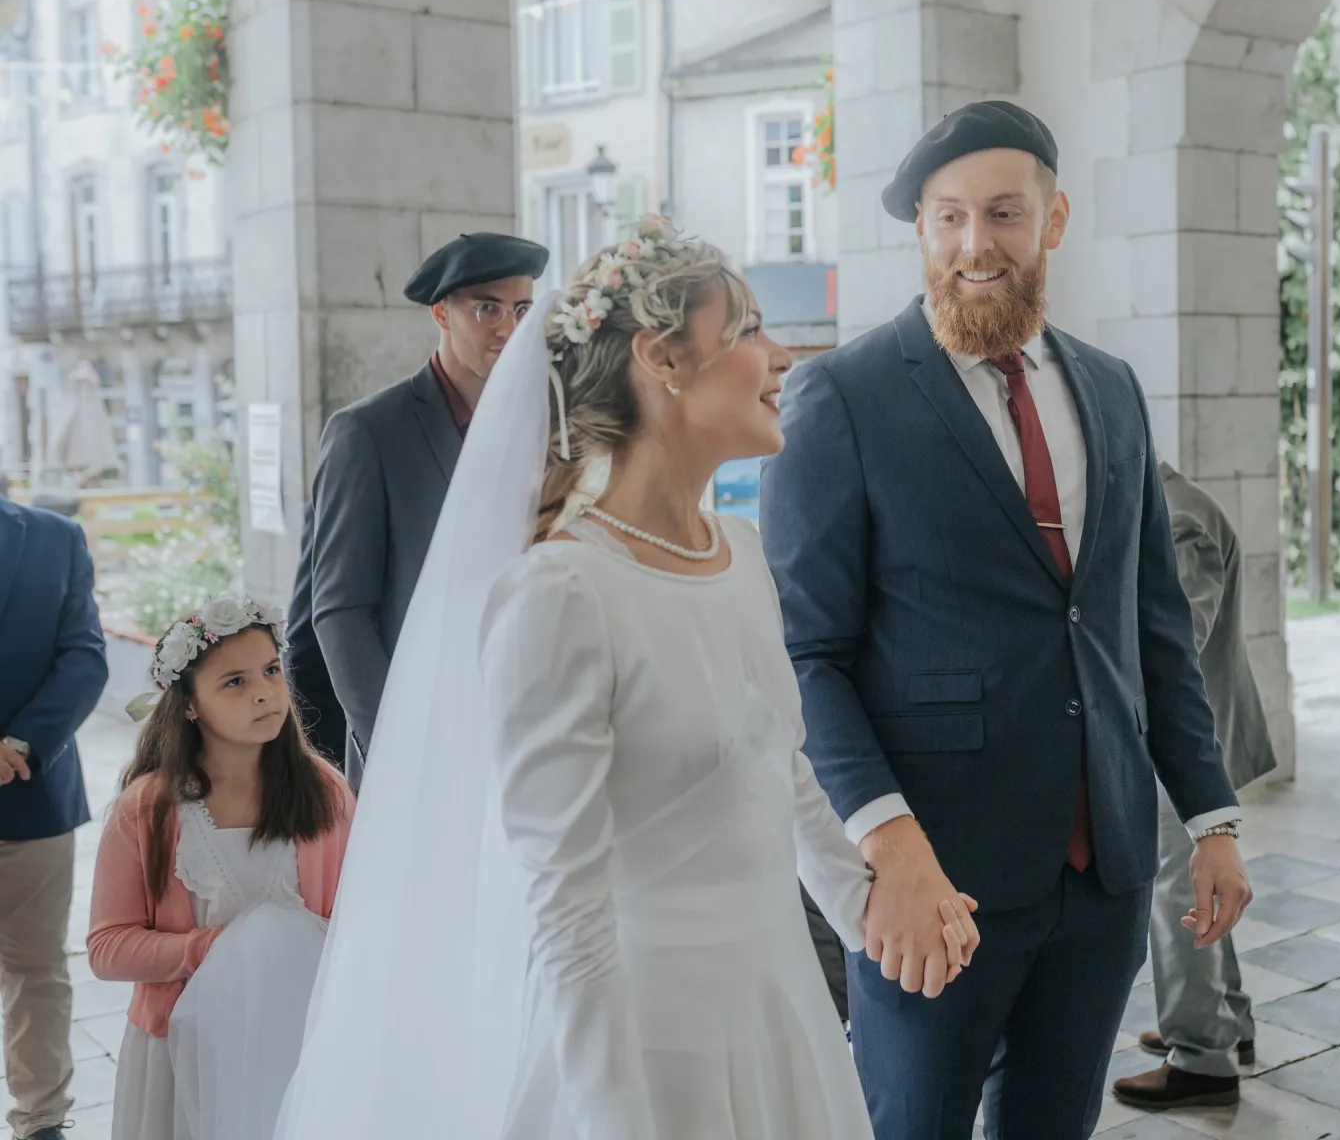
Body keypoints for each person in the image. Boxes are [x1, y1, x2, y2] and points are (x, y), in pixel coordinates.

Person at [271, 219, 978, 1140]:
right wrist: (614, 1113)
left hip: (777, 1016)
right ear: (664, 359)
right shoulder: (560, 593)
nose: (781, 356)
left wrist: (870, 909)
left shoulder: (743, 555)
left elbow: (783, 762)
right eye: (749, 331)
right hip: (645, 1051)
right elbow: (562, 910)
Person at [760, 100, 1253, 1140]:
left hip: (1103, 877)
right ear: (922, 232)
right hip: (936, 881)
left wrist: (1210, 817)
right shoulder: (841, 398)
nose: (975, 244)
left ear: (1053, 219)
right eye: (948, 218)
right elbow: (807, 655)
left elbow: (1151, 627)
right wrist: (890, 845)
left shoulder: (1112, 389)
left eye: (1002, 213)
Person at [89, 595, 354, 1140]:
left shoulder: (324, 791)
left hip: (297, 1038)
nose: (264, 691)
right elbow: (107, 947)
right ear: (189, 705)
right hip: (183, 1044)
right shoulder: (148, 808)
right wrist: (215, 951)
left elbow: (355, 921)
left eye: (271, 671)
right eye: (234, 682)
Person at [290, 231, 547, 781]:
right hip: (421, 748)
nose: (509, 327)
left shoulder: (544, 424)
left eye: (522, 308)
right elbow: (339, 611)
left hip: (530, 732)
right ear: (441, 313)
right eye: (487, 308)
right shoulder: (368, 431)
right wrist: (402, 744)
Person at [1113, 459, 1278, 1110]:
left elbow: (1172, 646)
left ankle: (1201, 1062)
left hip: (1183, 750)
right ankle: (1225, 1027)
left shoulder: (1178, 520)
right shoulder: (1168, 504)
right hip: (1189, 742)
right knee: (1202, 890)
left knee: (1177, 895)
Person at [0, 497, 108, 1140]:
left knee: (36, 971)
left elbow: (84, 656)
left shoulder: (53, 538)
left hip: (30, 792)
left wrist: (19, 744)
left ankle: (40, 1123)